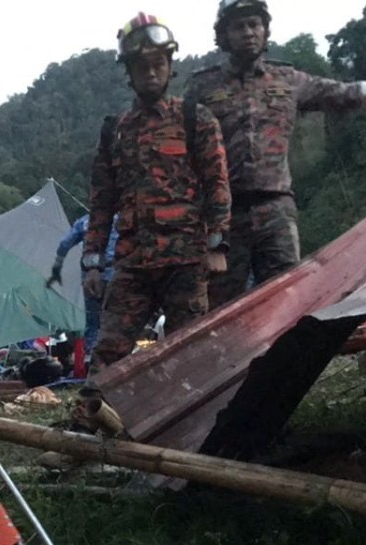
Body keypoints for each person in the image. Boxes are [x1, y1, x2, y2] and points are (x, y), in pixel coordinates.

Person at [185, 0, 366, 309]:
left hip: (276, 211)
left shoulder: (288, 80)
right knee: (221, 310)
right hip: (224, 218)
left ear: (265, 30)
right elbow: (182, 153)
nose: (248, 32)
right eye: (238, 26)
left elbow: (348, 93)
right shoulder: (201, 87)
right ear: (224, 34)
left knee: (287, 304)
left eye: (254, 24)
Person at [83, 12, 230, 369]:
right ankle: (90, 421)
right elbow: (102, 202)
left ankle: (197, 422)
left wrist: (217, 245)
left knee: (192, 351)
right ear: (129, 72)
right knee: (108, 352)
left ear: (169, 65)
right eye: (141, 65)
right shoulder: (115, 130)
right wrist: (91, 261)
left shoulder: (196, 118)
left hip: (186, 258)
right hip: (133, 262)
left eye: (158, 63)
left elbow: (218, 185)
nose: (151, 72)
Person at [45, 212, 119, 367]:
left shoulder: (85, 221)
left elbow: (65, 243)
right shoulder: (123, 218)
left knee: (93, 321)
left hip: (91, 277)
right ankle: (115, 361)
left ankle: (90, 360)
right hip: (115, 274)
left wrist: (57, 265)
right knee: (116, 319)